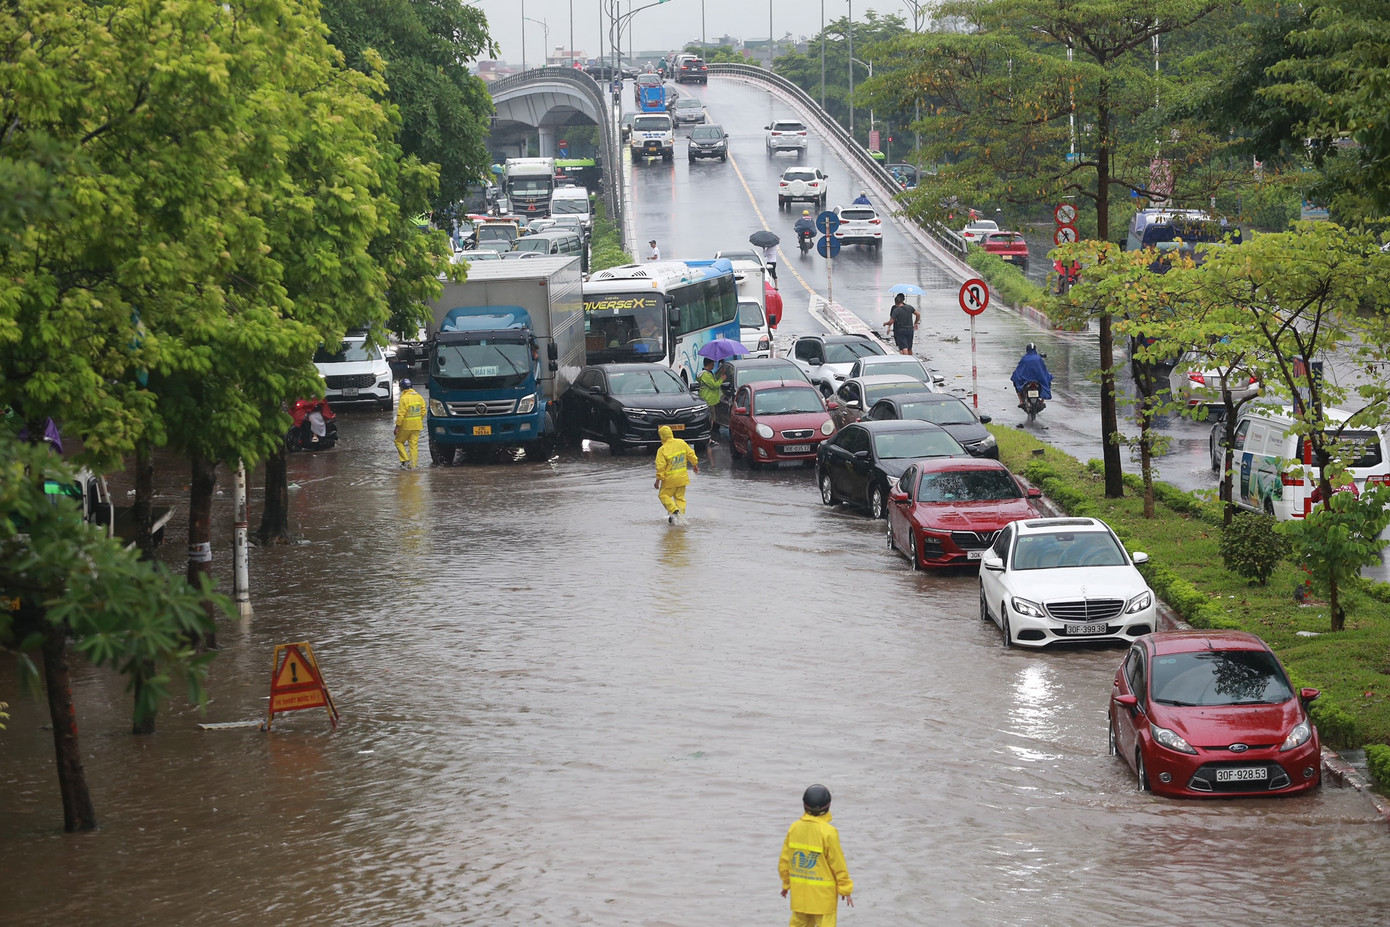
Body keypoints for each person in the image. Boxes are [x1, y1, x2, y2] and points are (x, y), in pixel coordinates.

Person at [779, 784, 854, 927]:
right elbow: (838, 864)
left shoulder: (794, 828)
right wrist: (845, 889)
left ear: (804, 805)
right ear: (828, 806)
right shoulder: (829, 832)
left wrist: (786, 884)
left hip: (800, 897)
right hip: (823, 899)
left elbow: (785, 860)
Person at [654, 424, 699, 525]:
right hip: (682, 479)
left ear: (661, 437)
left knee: (663, 495)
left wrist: (658, 480)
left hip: (669, 481)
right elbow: (691, 454)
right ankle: (679, 517)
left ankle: (674, 511)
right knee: (680, 498)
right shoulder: (681, 443)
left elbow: (660, 467)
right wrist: (695, 465)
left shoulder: (662, 450)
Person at [394, 378, 427, 469]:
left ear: (402, 388)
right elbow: (423, 411)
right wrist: (418, 419)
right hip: (417, 425)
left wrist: (397, 426)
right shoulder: (419, 397)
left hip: (405, 426)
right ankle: (413, 465)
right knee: (413, 446)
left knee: (398, 442)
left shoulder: (404, 398)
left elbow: (401, 414)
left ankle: (405, 459)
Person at [1011, 342, 1053, 409]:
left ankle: (1021, 401)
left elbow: (1020, 369)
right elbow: (1043, 370)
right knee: (1048, 380)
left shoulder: (1024, 358)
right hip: (1038, 379)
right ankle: (1042, 401)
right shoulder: (1038, 358)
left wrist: (1015, 374)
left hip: (1026, 379)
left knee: (1015, 381)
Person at [696, 357, 725, 443]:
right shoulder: (705, 375)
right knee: (710, 420)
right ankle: (708, 438)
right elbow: (714, 385)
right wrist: (722, 379)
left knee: (711, 419)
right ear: (709, 364)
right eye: (713, 363)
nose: (713, 365)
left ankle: (708, 437)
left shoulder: (709, 373)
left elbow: (714, 380)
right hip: (708, 400)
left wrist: (720, 374)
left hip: (711, 400)